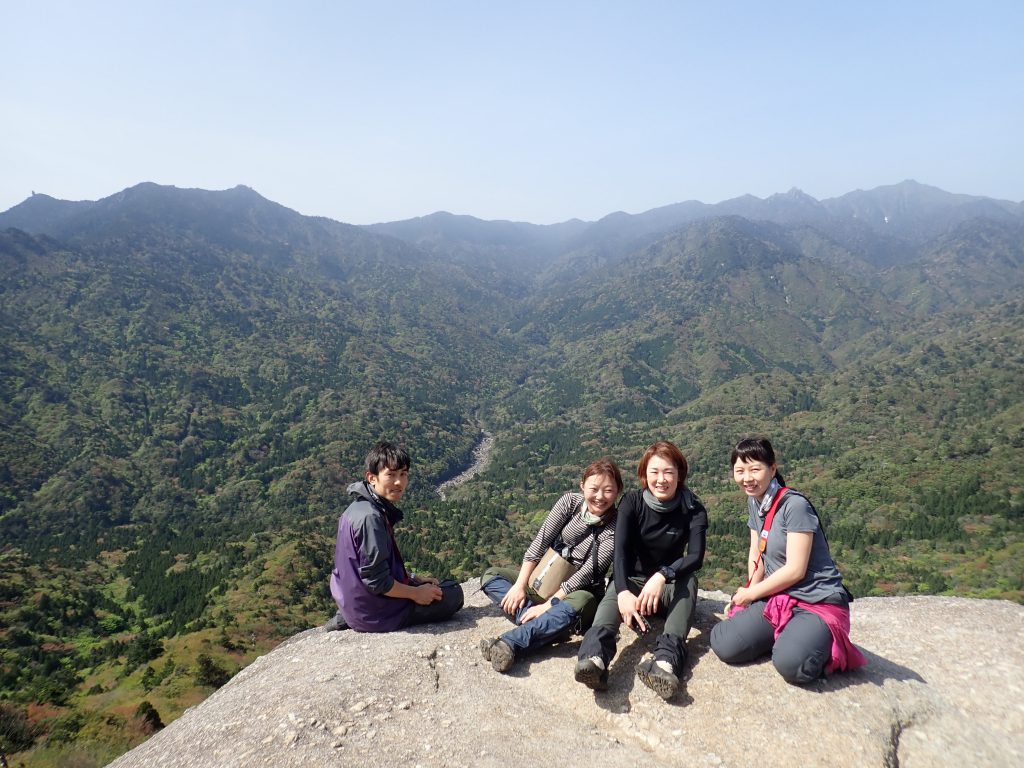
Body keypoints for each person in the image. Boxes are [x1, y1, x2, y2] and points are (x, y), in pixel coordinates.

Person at [710, 437, 866, 683]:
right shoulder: (755, 502)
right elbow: (757, 554)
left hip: (817, 601)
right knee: (724, 642)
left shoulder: (795, 506)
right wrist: (748, 591)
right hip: (780, 598)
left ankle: (812, 640)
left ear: (773, 469)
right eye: (739, 471)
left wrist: (752, 595)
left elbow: (796, 570)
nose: (747, 478)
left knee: (791, 664)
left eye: (755, 469)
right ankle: (790, 633)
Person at [574, 441, 707, 700]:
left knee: (689, 581)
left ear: (680, 474)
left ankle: (666, 663)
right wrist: (623, 591)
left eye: (668, 472)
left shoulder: (693, 509)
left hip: (668, 587)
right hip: (632, 582)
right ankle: (594, 660)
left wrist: (663, 574)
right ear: (644, 475)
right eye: (654, 472)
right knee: (612, 598)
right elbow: (620, 552)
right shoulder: (632, 503)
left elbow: (695, 557)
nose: (661, 479)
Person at [479, 458, 622, 673]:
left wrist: (547, 607)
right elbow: (540, 543)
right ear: (582, 486)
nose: (600, 497)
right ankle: (549, 626)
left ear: (618, 491)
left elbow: (585, 574)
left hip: (576, 596)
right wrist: (519, 585)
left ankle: (511, 643)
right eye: (594, 489)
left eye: (608, 490)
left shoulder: (616, 526)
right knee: (491, 576)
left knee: (583, 601)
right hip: (542, 581)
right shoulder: (569, 503)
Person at [327, 441, 463, 632]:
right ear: (371, 477)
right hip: (377, 612)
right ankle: (360, 618)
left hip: (354, 600)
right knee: (453, 592)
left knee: (434, 586)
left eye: (403, 474)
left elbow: (370, 567)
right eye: (390, 475)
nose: (399, 482)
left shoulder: (359, 509)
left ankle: (349, 615)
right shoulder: (371, 518)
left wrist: (413, 578)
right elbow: (377, 581)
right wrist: (415, 593)